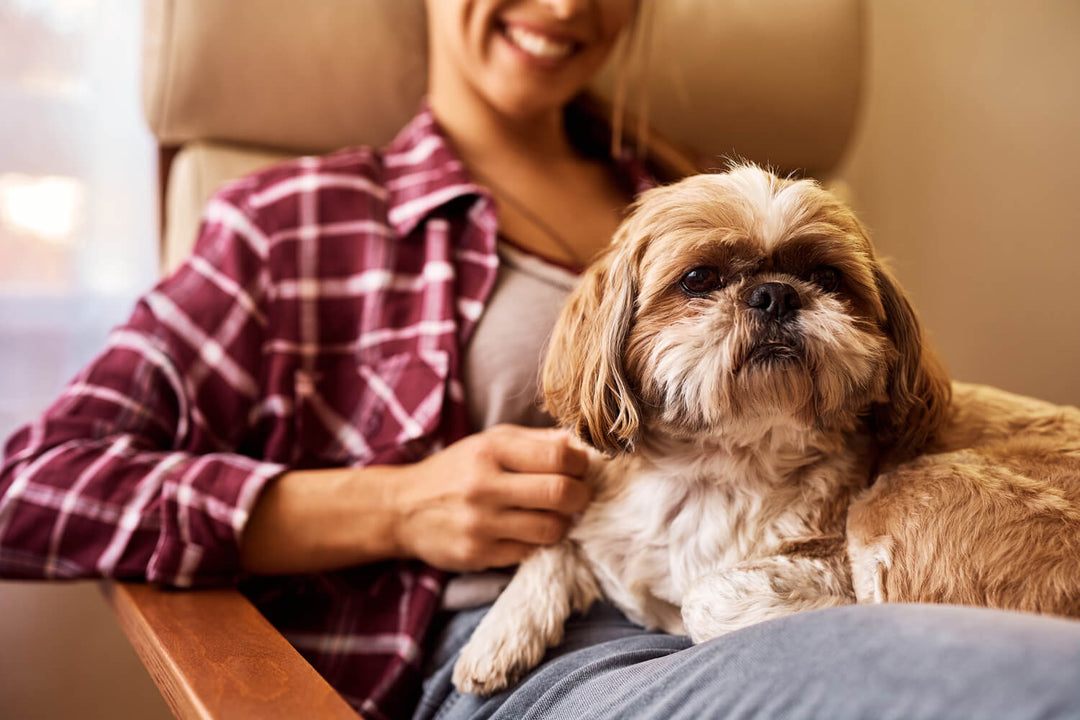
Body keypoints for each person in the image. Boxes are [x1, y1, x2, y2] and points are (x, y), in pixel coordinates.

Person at [2, 1, 1079, 719]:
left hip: (835, 576)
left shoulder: (713, 192)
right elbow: (30, 490)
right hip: (556, 653)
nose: (565, 4)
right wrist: (392, 505)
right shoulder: (299, 222)